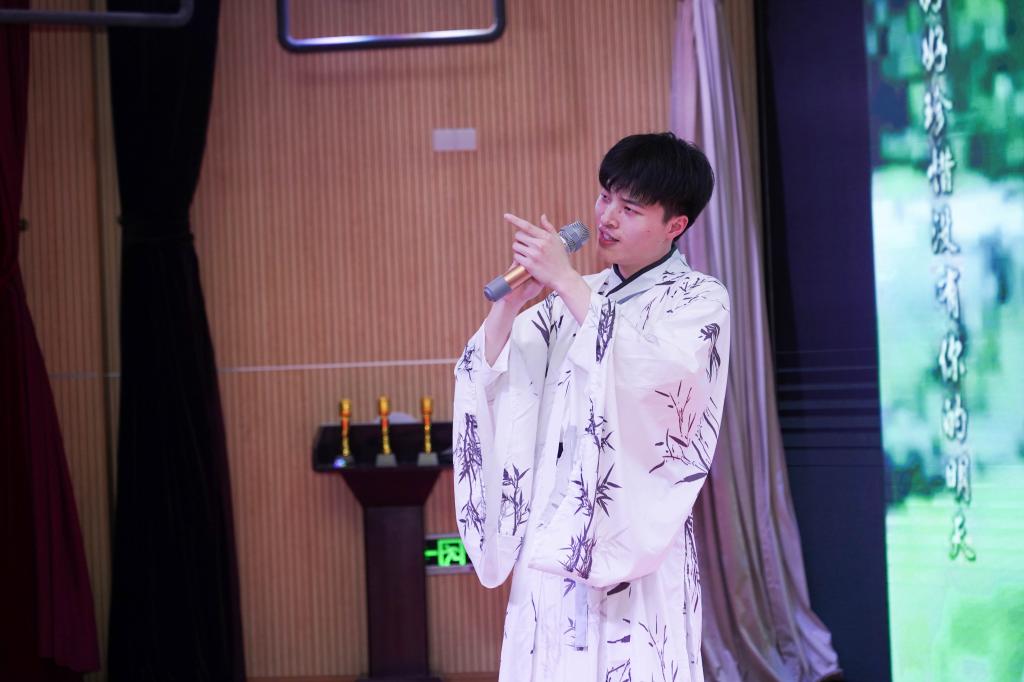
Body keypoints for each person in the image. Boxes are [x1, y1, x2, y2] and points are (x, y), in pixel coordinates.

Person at [453, 132, 730, 682]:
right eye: (606, 197)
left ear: (675, 225)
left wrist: (564, 279)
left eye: (630, 208)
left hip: (633, 542)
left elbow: (655, 381)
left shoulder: (698, 299)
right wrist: (509, 308)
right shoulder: (573, 296)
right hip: (551, 532)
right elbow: (491, 376)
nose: (606, 216)